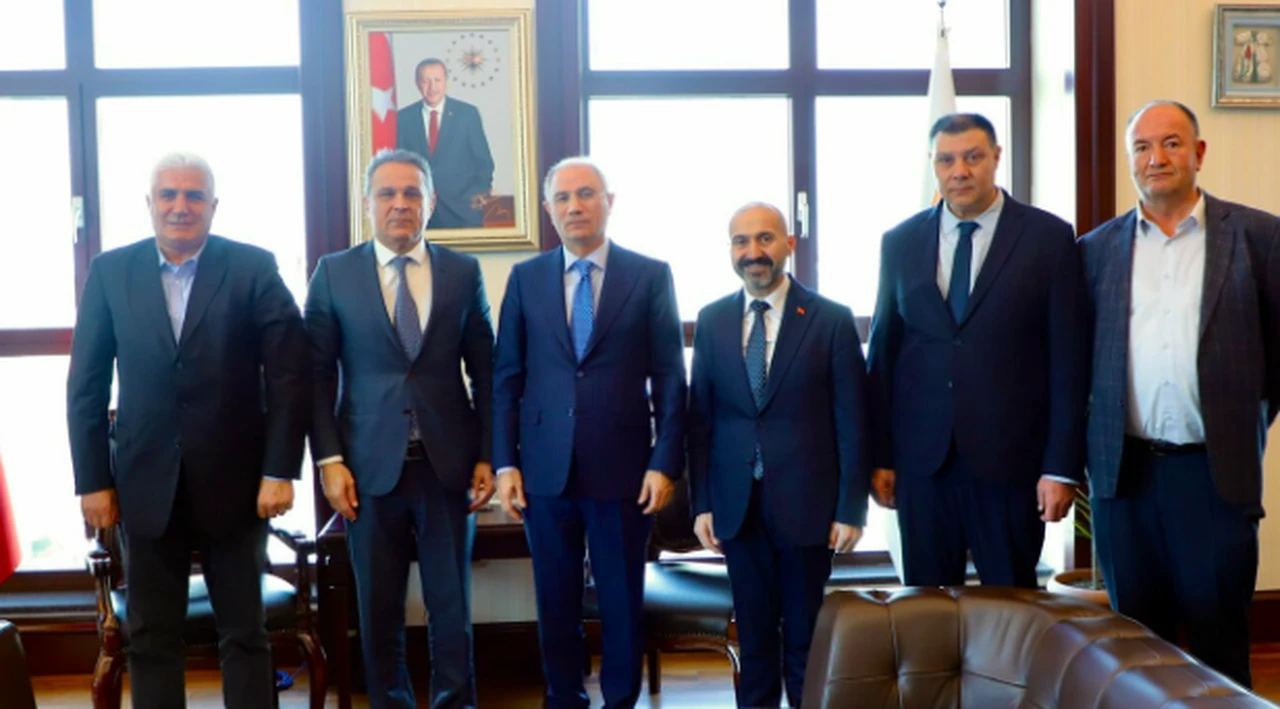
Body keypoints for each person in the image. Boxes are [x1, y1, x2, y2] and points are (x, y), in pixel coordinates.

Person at [66, 153, 308, 709]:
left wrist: (280, 470)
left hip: (238, 486)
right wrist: (93, 481)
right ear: (149, 204)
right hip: (145, 484)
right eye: (168, 195)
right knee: (152, 637)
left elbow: (290, 376)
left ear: (213, 206)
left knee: (245, 633)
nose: (181, 206)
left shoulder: (252, 268)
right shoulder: (111, 273)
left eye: (194, 195)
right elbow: (86, 385)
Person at [1080, 100, 1280, 688]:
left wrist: (1242, 424)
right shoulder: (1095, 251)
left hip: (1213, 477)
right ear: (1130, 160)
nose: (1156, 158)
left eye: (1170, 143)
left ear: (1198, 153)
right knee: (1137, 653)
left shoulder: (1260, 237)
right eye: (1141, 147)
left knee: (1220, 647)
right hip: (1126, 482)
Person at [492, 156, 686, 709]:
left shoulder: (649, 275)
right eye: (563, 198)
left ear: (608, 202)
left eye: (585, 194)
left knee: (621, 598)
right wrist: (505, 462)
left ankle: (620, 700)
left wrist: (664, 462)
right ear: (549, 209)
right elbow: (507, 377)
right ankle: (564, 697)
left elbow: (670, 378)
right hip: (544, 470)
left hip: (623, 470)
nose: (574, 206)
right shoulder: (526, 279)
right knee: (555, 599)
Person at [866, 113, 1089, 589]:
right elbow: (883, 356)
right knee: (926, 608)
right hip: (923, 466)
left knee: (1011, 610)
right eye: (946, 160)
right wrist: (880, 456)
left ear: (996, 158)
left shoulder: (1048, 238)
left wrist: (1061, 467)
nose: (959, 171)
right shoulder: (900, 242)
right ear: (933, 165)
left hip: (1010, 464)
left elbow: (1069, 363)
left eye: (972, 157)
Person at [306, 149, 495, 708]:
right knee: (379, 608)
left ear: (431, 202)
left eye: (412, 193)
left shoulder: (463, 273)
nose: (400, 204)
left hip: (447, 468)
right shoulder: (334, 273)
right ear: (368, 203)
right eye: (387, 193)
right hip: (365, 471)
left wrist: (489, 454)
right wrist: (328, 461)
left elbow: (487, 371)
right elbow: (315, 377)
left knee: (451, 607)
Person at [687, 202, 870, 708]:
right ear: (730, 250)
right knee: (754, 637)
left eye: (765, 239)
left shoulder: (830, 319)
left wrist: (851, 509)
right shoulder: (712, 320)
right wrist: (702, 503)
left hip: (808, 507)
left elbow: (853, 422)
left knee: (806, 639)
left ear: (789, 244)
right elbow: (700, 423)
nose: (753, 252)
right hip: (737, 507)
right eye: (741, 241)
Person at [396, 57, 495, 230]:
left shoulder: (467, 114)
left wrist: (475, 199)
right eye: (426, 81)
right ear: (417, 83)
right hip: (420, 213)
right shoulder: (404, 118)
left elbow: (484, 163)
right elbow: (400, 165)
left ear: (445, 81)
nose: (432, 87)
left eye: (437, 80)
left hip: (463, 212)